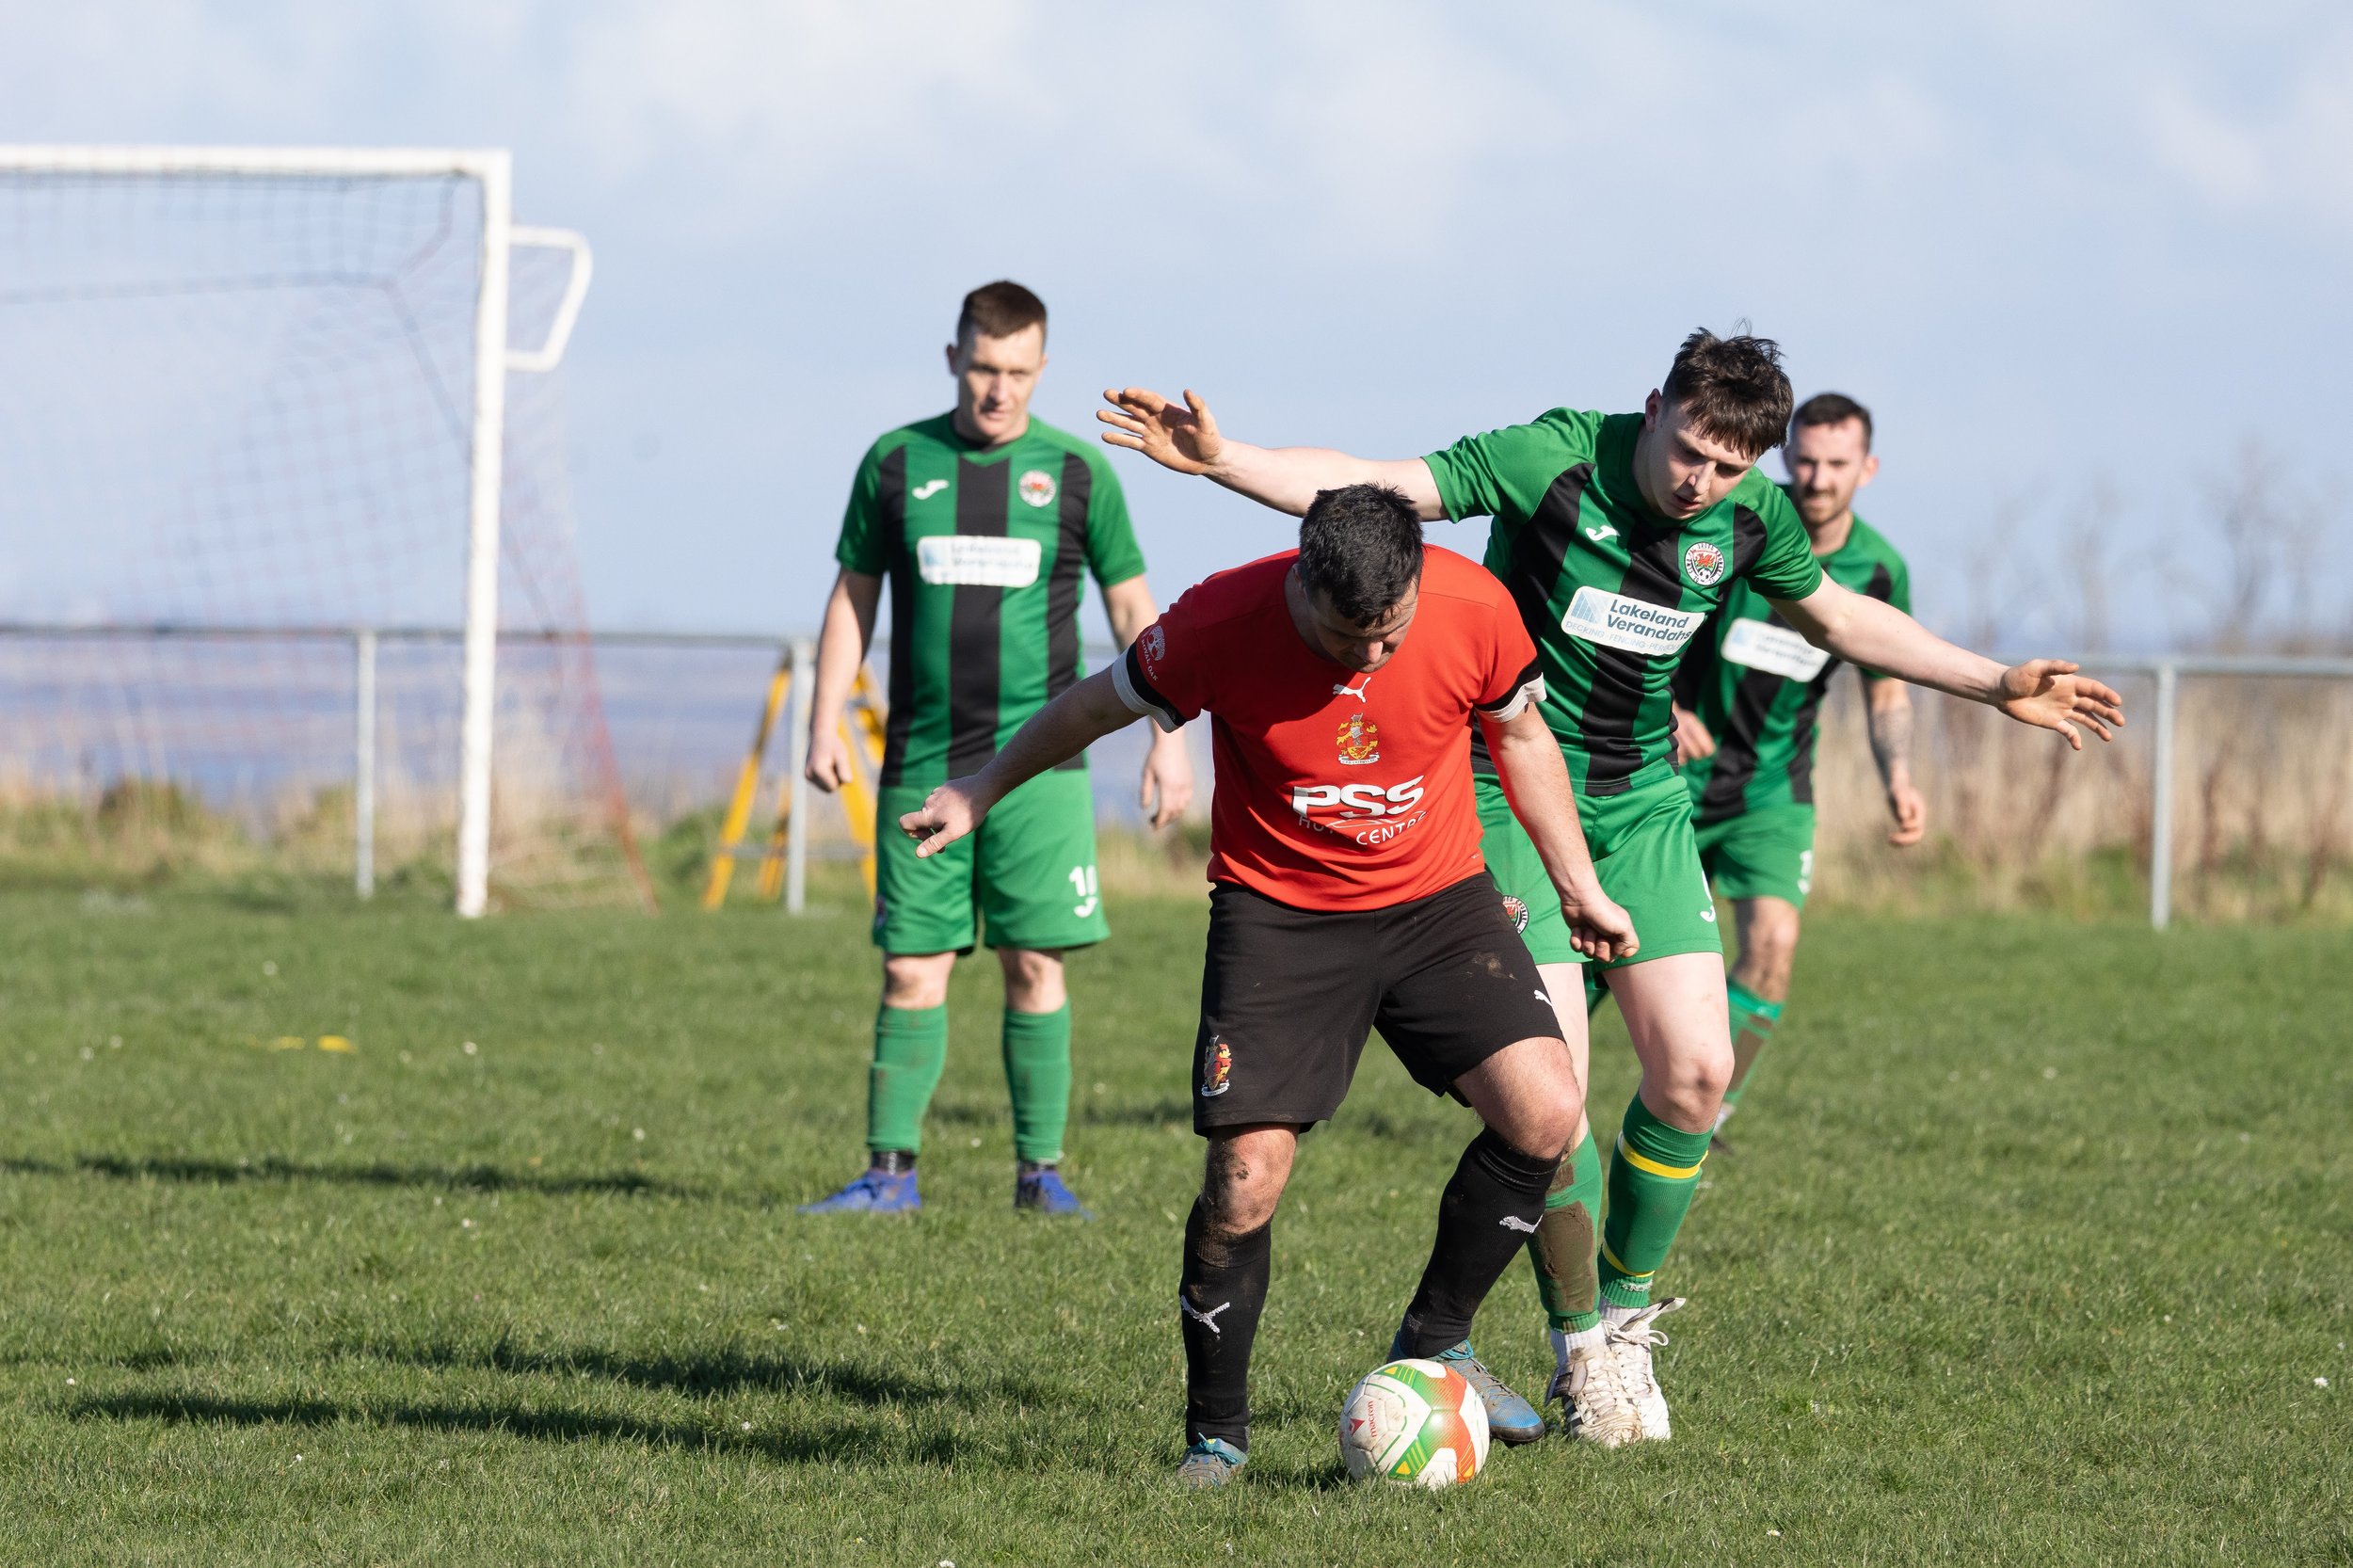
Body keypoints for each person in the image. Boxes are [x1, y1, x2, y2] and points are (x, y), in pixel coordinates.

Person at [1097, 329, 2123, 1446]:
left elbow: (1834, 616)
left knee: (1695, 1071)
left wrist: (1992, 682)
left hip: (1639, 800)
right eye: (1689, 451)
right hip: (1504, 788)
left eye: (1730, 469)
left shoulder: (1746, 522)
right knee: (1556, 1103)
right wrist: (1221, 458)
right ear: (1654, 409)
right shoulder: (1551, 459)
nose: (1703, 483)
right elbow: (1384, 485)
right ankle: (1577, 1341)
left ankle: (1622, 1316)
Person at [897, 484, 1636, 1485]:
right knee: (1245, 1179)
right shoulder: (1217, 621)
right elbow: (1090, 706)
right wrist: (982, 786)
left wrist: (1576, 886)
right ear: (1302, 579)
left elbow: (1519, 737)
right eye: (1347, 638)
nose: (1371, 659)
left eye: (1391, 634)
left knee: (1547, 1111)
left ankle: (1438, 1336)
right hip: (1280, 919)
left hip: (1438, 903)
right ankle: (1217, 1436)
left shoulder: (1473, 606)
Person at [798, 281, 1193, 1218]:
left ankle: (1039, 1176)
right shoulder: (895, 463)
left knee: (1035, 965)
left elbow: (1136, 612)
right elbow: (853, 598)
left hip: (1041, 773)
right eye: (982, 367)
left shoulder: (1079, 474)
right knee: (908, 968)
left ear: (1041, 370)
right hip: (920, 763)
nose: (997, 389)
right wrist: (824, 715)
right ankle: (888, 1175)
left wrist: (1166, 738)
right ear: (953, 359)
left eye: (1017, 372)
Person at [1667, 392, 1922, 1146]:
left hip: (1774, 788)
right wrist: (1666, 706)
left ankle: (1707, 1117)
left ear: (1867, 469)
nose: (1816, 478)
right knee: (1604, 955)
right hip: (1670, 772)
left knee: (1773, 949)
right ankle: (1541, 1106)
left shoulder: (1879, 568)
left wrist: (1898, 779)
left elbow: (1887, 688)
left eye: (1835, 464)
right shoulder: (1734, 513)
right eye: (1804, 460)